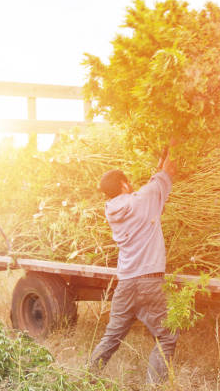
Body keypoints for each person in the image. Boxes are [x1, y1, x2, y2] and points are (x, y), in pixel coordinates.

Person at [90, 149, 179, 386]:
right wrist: (175, 141)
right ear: (123, 184)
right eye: (128, 181)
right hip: (149, 281)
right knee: (167, 338)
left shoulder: (111, 210)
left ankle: (85, 380)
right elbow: (166, 174)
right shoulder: (143, 199)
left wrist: (159, 163)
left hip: (126, 282)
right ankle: (153, 386)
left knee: (112, 336)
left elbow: (153, 183)